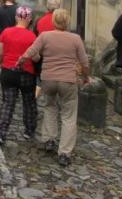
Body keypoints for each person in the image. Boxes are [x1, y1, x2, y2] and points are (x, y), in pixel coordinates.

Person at [21, 9, 89, 167]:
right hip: (68, 80)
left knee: (50, 107)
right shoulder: (75, 38)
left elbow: (31, 52)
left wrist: (21, 61)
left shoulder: (45, 36)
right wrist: (85, 77)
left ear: (54, 22)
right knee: (68, 116)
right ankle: (64, 152)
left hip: (48, 79)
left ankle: (49, 139)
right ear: (67, 22)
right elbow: (84, 62)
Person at [0, 6, 38, 144]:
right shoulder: (32, 36)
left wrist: (2, 63)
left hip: (8, 71)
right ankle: (29, 130)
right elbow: (36, 57)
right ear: (30, 19)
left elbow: (0, 52)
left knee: (8, 102)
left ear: (16, 17)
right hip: (26, 73)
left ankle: (1, 132)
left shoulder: (6, 32)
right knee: (29, 102)